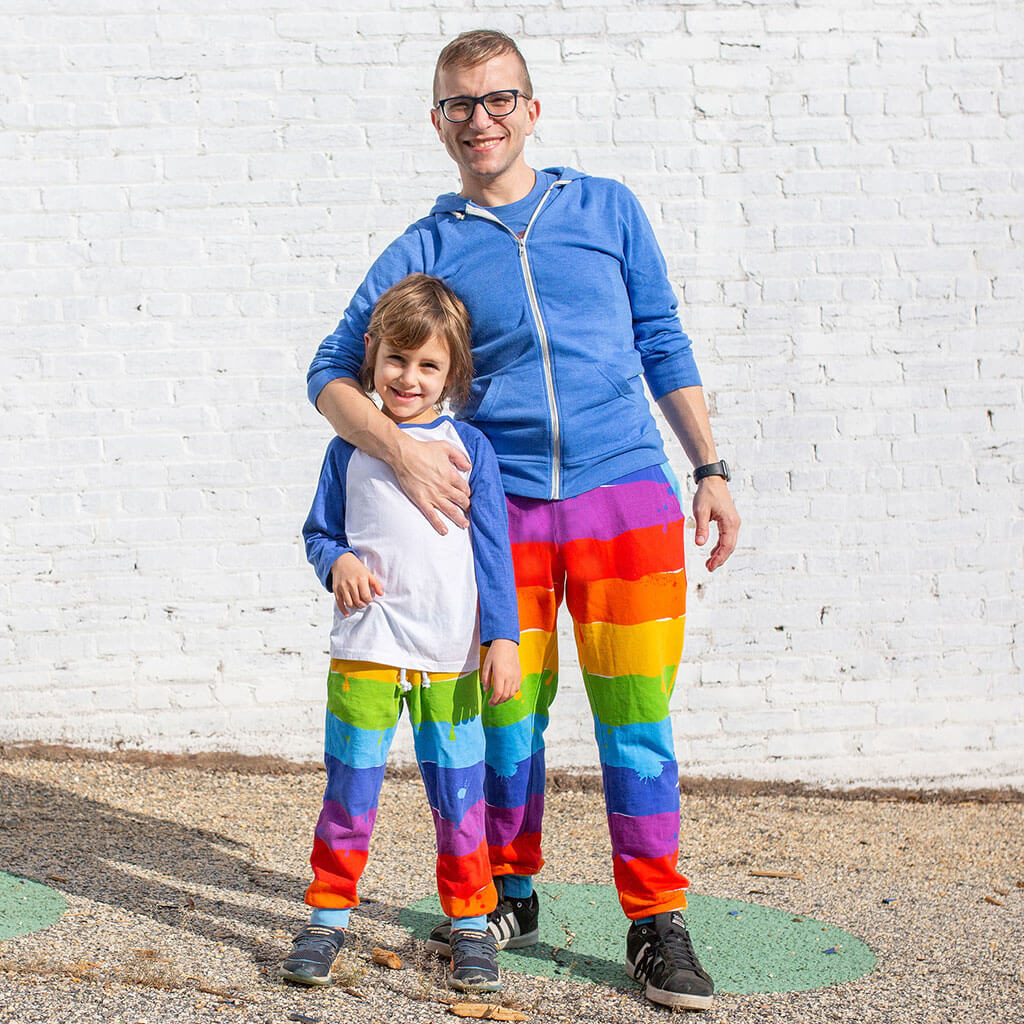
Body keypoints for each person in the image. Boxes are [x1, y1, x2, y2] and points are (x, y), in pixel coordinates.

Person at [305, 31, 740, 1011]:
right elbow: (328, 371)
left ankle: (656, 922)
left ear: (531, 110)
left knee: (636, 721)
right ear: (438, 124)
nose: (480, 120)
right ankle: (509, 890)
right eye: (459, 106)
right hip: (500, 521)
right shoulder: (428, 245)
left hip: (627, 495)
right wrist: (403, 449)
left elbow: (662, 337)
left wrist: (707, 466)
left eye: (498, 100)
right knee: (506, 716)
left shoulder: (605, 209)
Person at [283, 273, 521, 992]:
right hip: (365, 652)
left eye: (428, 365)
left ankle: (472, 925)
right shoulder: (348, 448)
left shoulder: (469, 446)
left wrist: (501, 637)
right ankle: (327, 918)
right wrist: (340, 562)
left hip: (449, 658)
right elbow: (319, 532)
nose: (409, 378)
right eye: (397, 359)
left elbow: (492, 548)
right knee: (350, 793)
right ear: (371, 354)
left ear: (452, 373)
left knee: (459, 799)